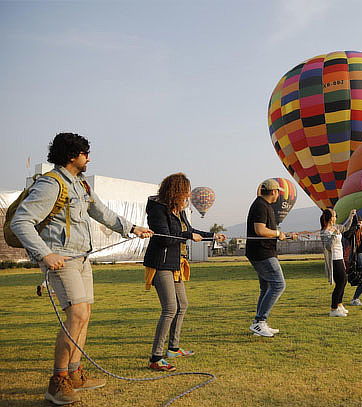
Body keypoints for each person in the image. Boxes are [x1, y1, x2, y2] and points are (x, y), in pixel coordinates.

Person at [10, 133, 153, 405]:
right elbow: (21, 222)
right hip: (61, 259)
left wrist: (132, 228)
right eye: (85, 153)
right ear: (71, 156)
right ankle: (58, 382)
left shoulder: (81, 184)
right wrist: (45, 254)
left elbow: (102, 212)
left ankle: (75, 374)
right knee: (76, 314)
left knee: (84, 314)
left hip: (82, 259)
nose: (89, 157)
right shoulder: (51, 185)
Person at [143, 173, 225, 371]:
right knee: (170, 308)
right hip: (160, 263)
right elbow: (165, 237)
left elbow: (189, 229)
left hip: (176, 263)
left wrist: (211, 235)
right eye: (186, 191)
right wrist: (189, 236)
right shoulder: (157, 209)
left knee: (182, 304)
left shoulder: (179, 210)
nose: (188, 195)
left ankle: (173, 348)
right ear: (176, 191)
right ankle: (156, 357)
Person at [245, 179, 288, 337]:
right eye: (278, 192)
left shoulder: (263, 205)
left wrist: (282, 235)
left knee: (266, 287)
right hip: (263, 252)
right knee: (278, 285)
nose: (279, 195)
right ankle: (259, 321)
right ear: (274, 192)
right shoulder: (261, 206)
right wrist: (277, 233)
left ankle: (260, 324)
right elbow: (260, 230)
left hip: (261, 251)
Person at [320, 208, 356, 317]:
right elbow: (328, 247)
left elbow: (346, 227)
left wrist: (351, 216)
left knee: (343, 281)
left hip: (340, 258)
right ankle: (333, 308)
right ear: (330, 218)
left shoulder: (336, 227)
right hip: (334, 260)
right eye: (334, 216)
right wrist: (334, 236)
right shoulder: (325, 232)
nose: (336, 218)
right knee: (340, 283)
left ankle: (339, 304)